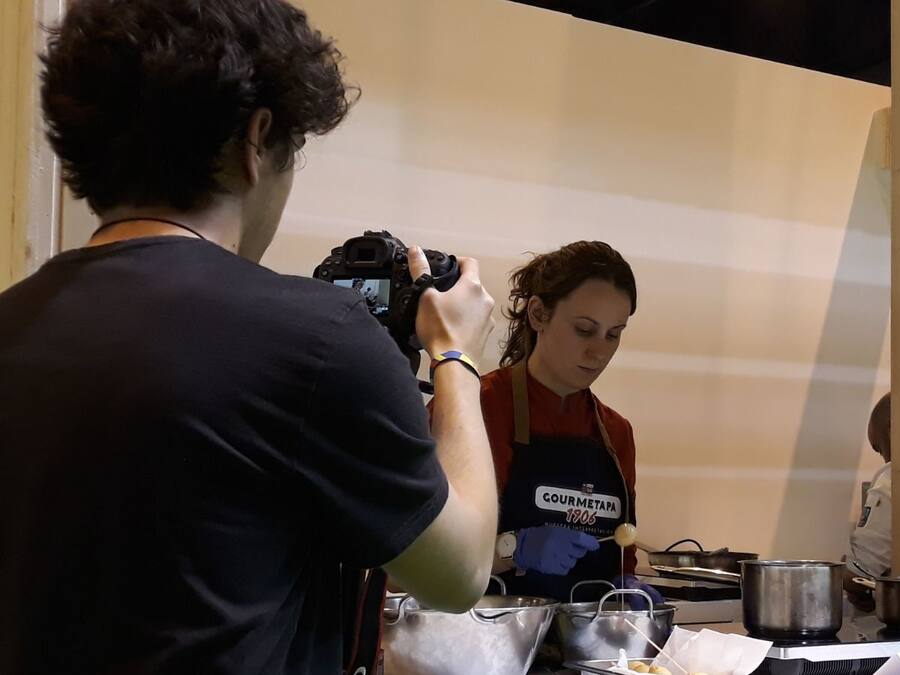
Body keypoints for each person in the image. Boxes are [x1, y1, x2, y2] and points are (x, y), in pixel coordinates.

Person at [0, 2, 498, 673]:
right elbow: (459, 570)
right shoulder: (317, 340)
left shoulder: (13, 322)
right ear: (257, 140)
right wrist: (454, 353)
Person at [469, 241, 658, 603]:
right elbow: (420, 559)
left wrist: (627, 586)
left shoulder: (616, 432)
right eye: (585, 330)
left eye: (614, 334)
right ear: (538, 314)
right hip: (490, 643)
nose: (599, 351)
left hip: (586, 649)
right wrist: (512, 549)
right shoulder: (477, 407)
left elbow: (622, 558)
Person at [843, 394, 892, 610]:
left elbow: (861, 572)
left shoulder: (892, 481)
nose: (883, 459)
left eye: (879, 448)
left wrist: (845, 576)